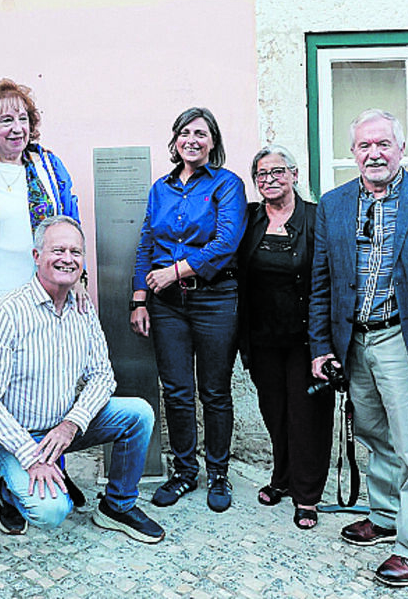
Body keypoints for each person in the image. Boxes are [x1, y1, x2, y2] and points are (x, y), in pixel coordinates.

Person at [308, 109, 408, 586]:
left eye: (383, 144)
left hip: (406, 339)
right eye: (364, 146)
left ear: (401, 149)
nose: (374, 153)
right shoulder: (336, 204)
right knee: (375, 436)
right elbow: (323, 282)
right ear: (353, 153)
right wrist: (322, 346)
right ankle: (383, 518)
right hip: (354, 341)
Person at [0, 215, 165, 543]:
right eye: (57, 250)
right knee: (50, 513)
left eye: (75, 252)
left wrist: (72, 423)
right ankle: (8, 486)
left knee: (139, 413)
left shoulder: (82, 308)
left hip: (64, 428)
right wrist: (32, 457)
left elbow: (103, 375)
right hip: (17, 436)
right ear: (36, 257)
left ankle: (117, 506)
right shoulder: (4, 314)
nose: (67, 258)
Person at [130, 107, 247, 513]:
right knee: (177, 390)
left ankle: (218, 473)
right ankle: (183, 471)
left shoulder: (227, 184)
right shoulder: (160, 189)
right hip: (166, 306)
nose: (192, 139)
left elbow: (227, 241)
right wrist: (139, 298)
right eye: (184, 132)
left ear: (213, 142)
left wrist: (175, 271)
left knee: (214, 390)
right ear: (175, 140)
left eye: (201, 133)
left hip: (215, 298)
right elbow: (146, 242)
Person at [237, 145, 333, 529]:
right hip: (262, 337)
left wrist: (328, 342)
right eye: (262, 174)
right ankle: (283, 478)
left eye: (278, 172)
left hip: (307, 338)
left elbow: (330, 275)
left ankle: (307, 496)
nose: (270, 180)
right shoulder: (250, 219)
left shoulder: (316, 216)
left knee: (307, 416)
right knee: (274, 413)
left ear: (294, 174)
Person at [0, 78, 83, 325]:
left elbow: (71, 224)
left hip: (43, 291)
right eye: (7, 120)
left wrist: (79, 278)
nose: (17, 128)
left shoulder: (48, 166)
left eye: (23, 119)